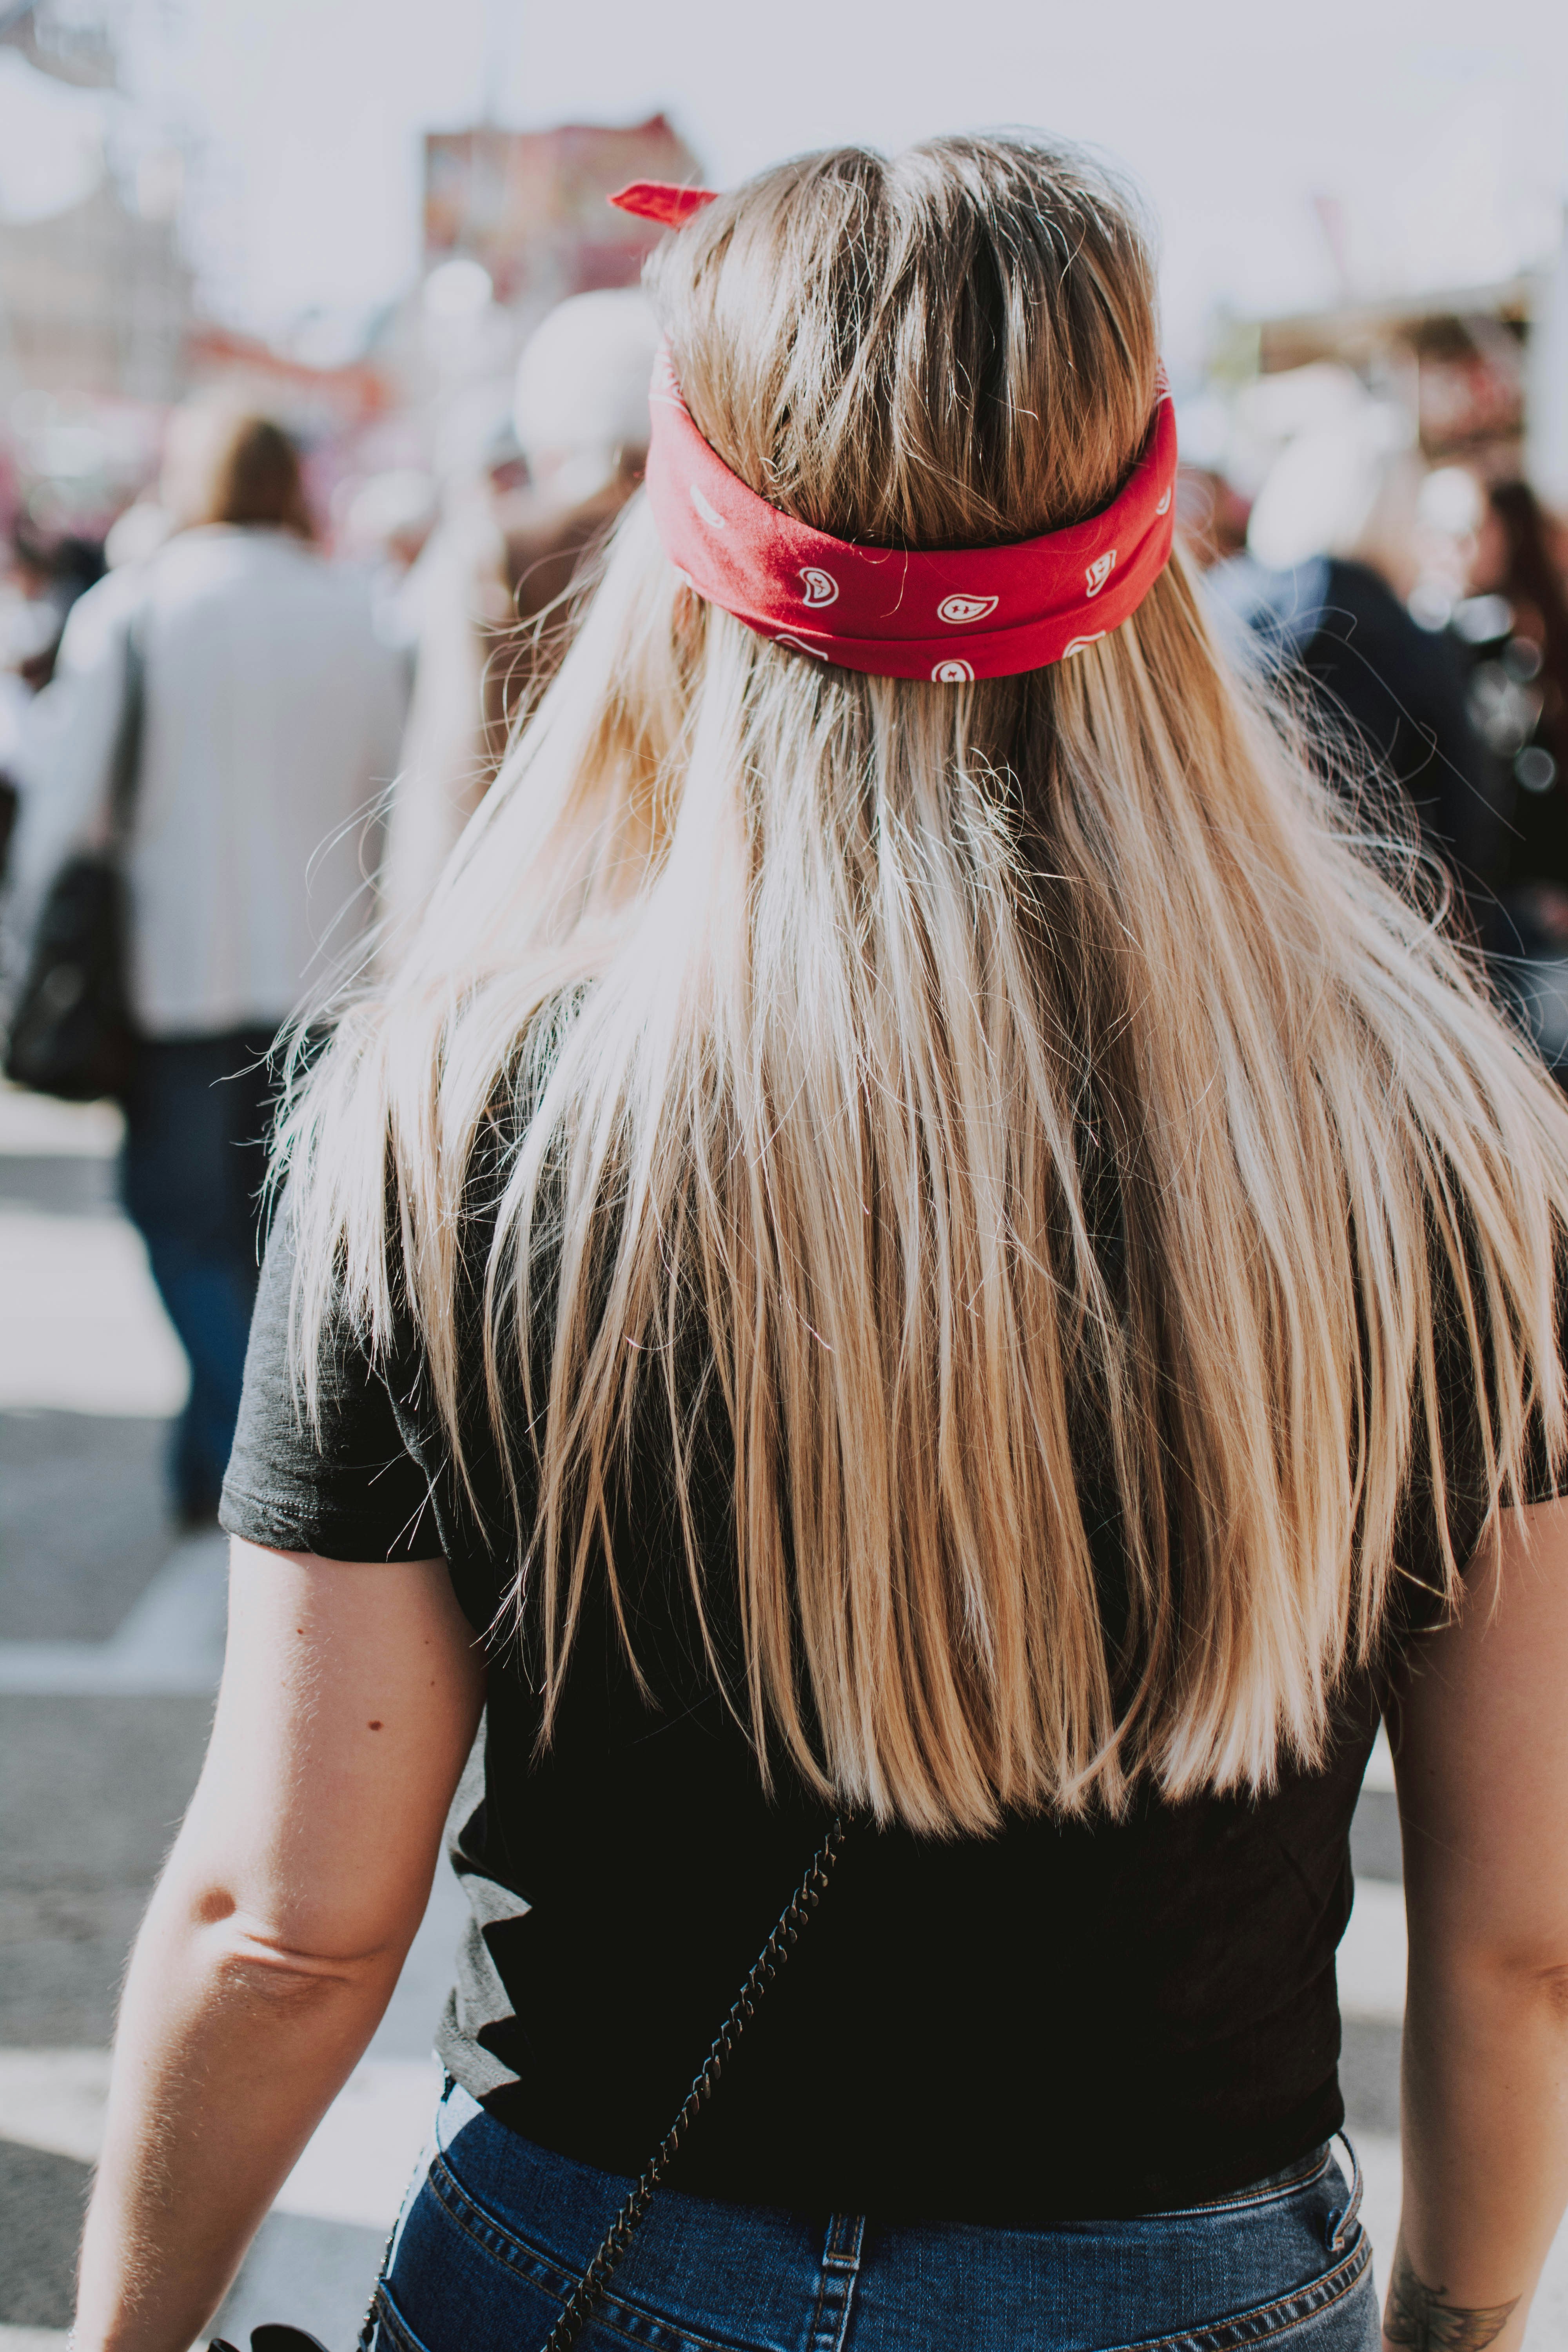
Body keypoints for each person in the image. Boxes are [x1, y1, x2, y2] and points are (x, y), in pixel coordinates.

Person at [74, 138, 1568, 2352]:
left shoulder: (449, 1124)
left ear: (686, 554)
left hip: (598, 2264)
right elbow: (1522, 1933)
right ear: (1150, 539)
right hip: (1195, 2280)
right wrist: (1451, 2325)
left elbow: (287, 1929)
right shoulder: (1435, 1144)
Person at [7, 403, 405, 1522]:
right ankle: (228, 1458)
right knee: (292, 1241)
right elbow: (396, 795)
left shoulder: (139, 608)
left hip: (175, 974)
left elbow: (66, 815)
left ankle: (243, 1457)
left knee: (186, 1228)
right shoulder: (357, 611)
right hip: (333, 974)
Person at [380, 288, 661, 940]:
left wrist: (413, 983)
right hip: (686, 955)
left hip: (527, 942)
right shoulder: (717, 549)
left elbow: (449, 791)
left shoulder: (496, 551)